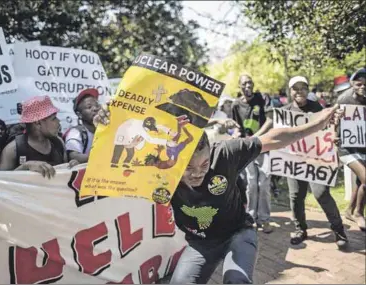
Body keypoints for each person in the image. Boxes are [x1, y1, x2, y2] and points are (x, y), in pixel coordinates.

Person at [94, 99, 343, 284]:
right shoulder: (159, 170)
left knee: (237, 281)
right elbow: (114, 159)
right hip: (200, 243)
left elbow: (274, 138)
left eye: (203, 164)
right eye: (187, 168)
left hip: (239, 233)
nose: (197, 174)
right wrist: (107, 126)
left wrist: (318, 123)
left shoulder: (226, 153)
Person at [264, 76, 348, 247]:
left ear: (308, 90)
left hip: (316, 161)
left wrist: (335, 136)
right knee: (296, 196)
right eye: (295, 88)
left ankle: (339, 230)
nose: (299, 91)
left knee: (321, 193)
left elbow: (330, 130)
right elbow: (278, 136)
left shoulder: (318, 108)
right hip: (294, 161)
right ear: (290, 91)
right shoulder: (284, 113)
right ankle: (300, 229)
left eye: (303, 87)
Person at [232, 74, 273, 233]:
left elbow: (270, 121)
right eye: (244, 83)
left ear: (253, 84)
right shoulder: (236, 104)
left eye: (250, 82)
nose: (247, 86)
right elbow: (237, 127)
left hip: (264, 145)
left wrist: (256, 137)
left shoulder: (263, 98)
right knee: (251, 184)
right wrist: (236, 134)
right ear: (239, 86)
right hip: (247, 149)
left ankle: (264, 219)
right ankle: (251, 217)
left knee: (264, 184)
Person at [0, 95, 77, 178]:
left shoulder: (58, 143)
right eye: (54, 118)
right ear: (37, 123)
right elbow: (0, 183)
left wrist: (71, 166)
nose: (58, 121)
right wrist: (25, 167)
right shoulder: (13, 150)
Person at [337, 67, 366, 231]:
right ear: (352, 83)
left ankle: (349, 210)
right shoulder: (344, 99)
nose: (363, 86)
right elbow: (333, 121)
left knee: (360, 180)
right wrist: (334, 135)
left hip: (364, 147)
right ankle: (358, 213)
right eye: (359, 83)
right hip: (347, 148)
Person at [63, 88, 101, 164]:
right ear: (79, 114)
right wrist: (100, 157)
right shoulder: (76, 133)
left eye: (97, 105)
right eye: (89, 107)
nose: (95, 109)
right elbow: (74, 156)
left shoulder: (104, 129)